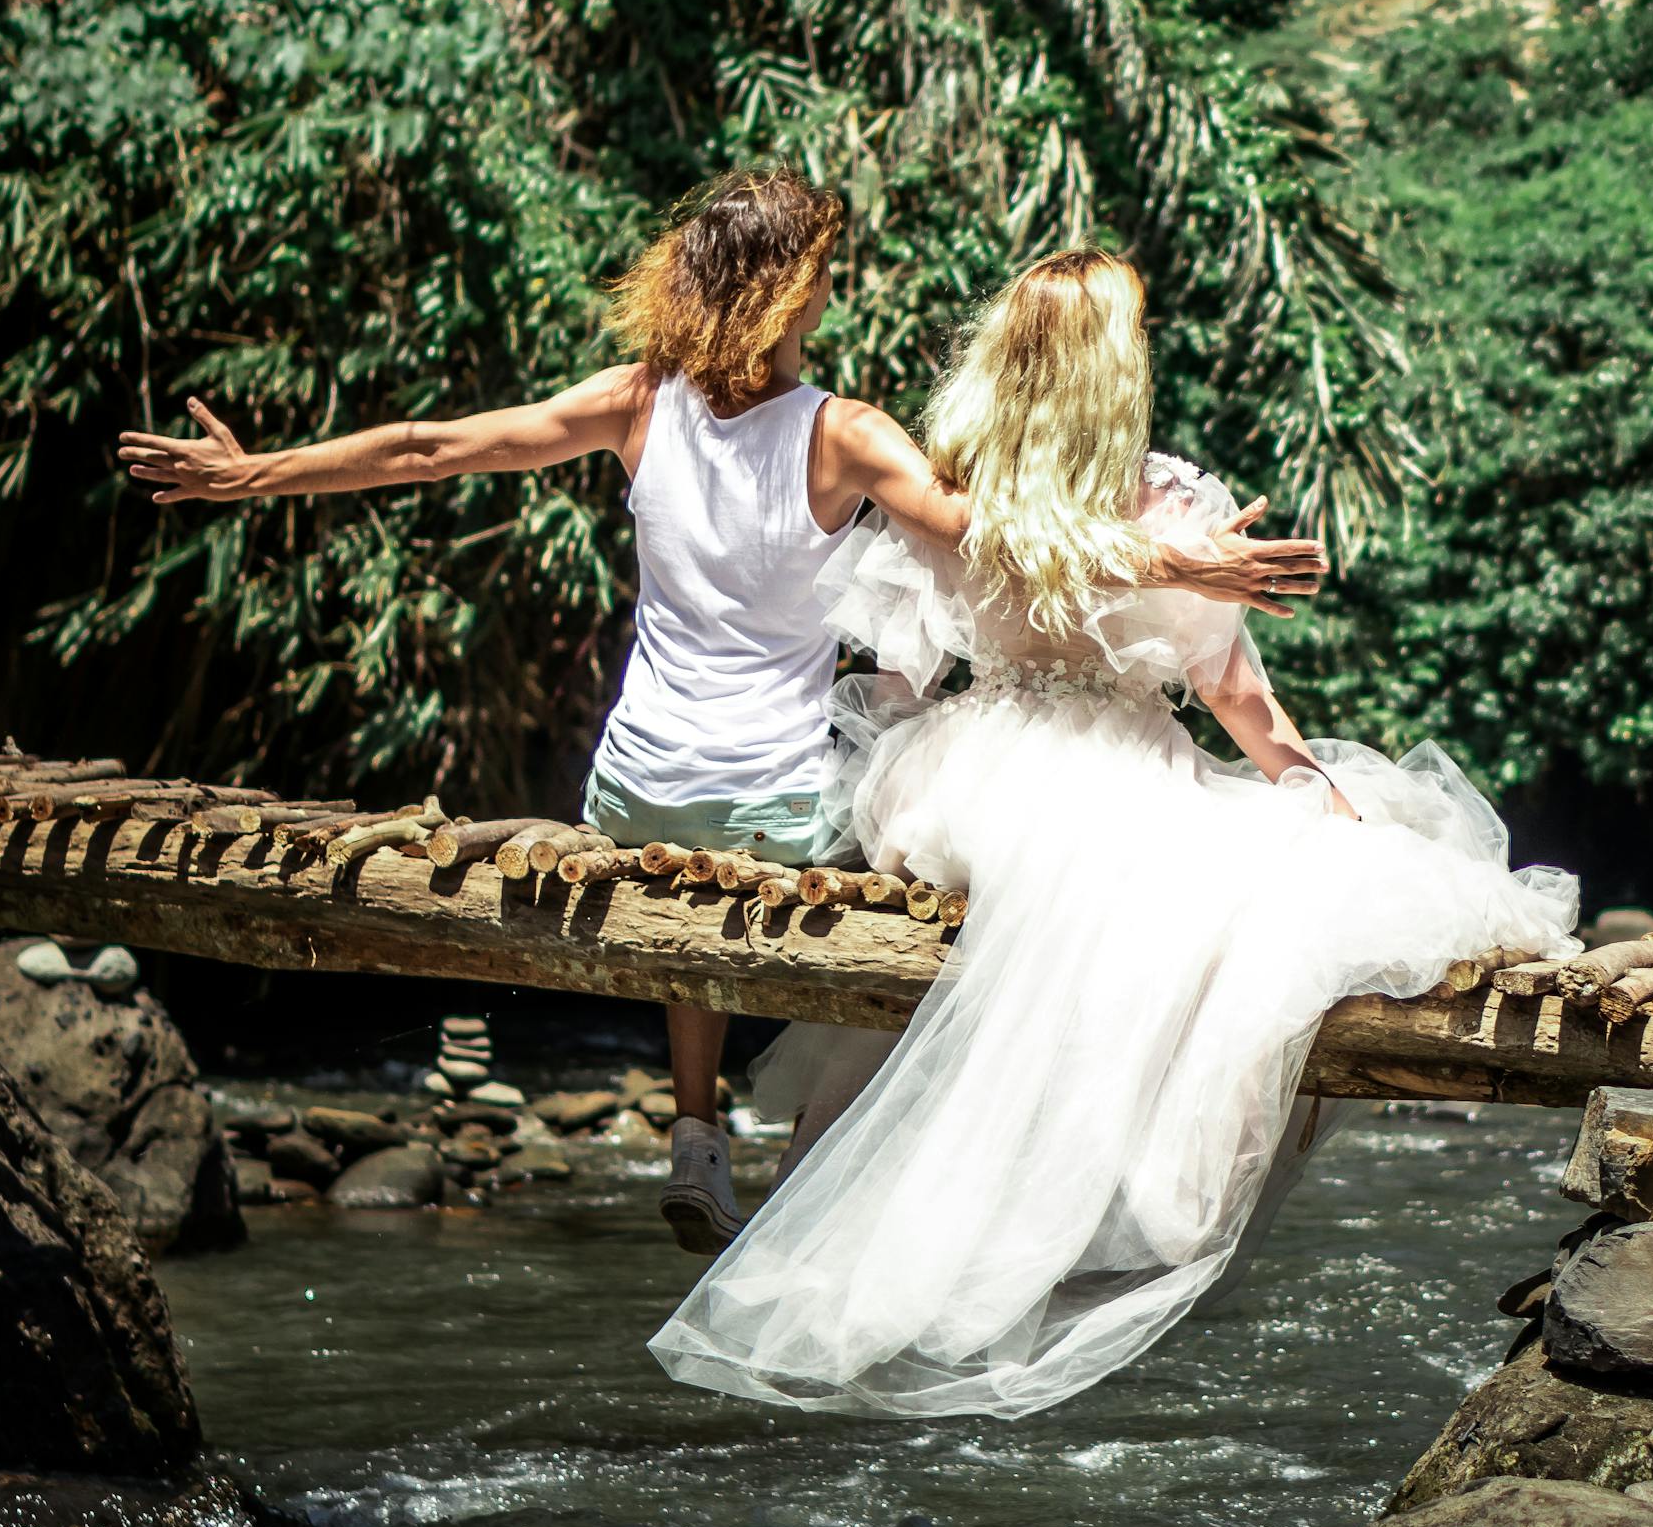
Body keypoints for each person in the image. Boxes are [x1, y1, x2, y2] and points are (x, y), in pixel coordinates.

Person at [116, 173, 1326, 1252]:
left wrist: (255, 473)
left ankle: (695, 1126)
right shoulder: (844, 433)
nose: (830, 298)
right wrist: (1188, 567)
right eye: (822, 278)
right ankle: (899, 1147)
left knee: (677, 855)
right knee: (868, 825)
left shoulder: (633, 403)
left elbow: (437, 448)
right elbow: (987, 539)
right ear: (789, 292)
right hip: (786, 800)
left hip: (633, 788)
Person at [647, 248, 1578, 1418]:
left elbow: (900, 674)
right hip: (1111, 758)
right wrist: (1309, 782)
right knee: (1254, 889)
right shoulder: (1169, 502)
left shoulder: (949, 480)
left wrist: (888, 793)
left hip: (965, 771)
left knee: (1118, 888)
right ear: (1114, 366)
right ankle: (1099, 1209)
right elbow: (1238, 700)